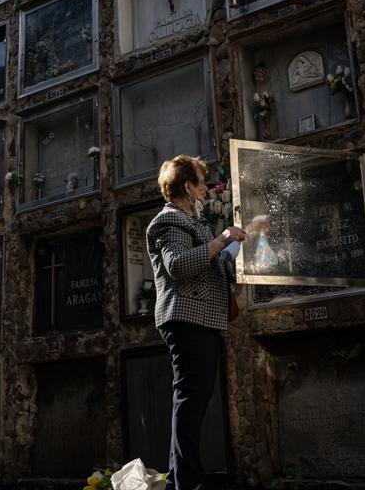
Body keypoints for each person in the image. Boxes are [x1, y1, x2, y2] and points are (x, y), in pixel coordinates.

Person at [146, 155, 245, 490]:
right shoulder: (168, 221)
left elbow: (209, 265)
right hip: (187, 320)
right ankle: (184, 482)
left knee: (194, 401)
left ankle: (180, 479)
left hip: (203, 321)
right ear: (187, 187)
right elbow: (178, 265)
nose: (205, 191)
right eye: (201, 184)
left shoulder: (196, 226)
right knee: (190, 401)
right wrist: (221, 240)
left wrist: (232, 250)